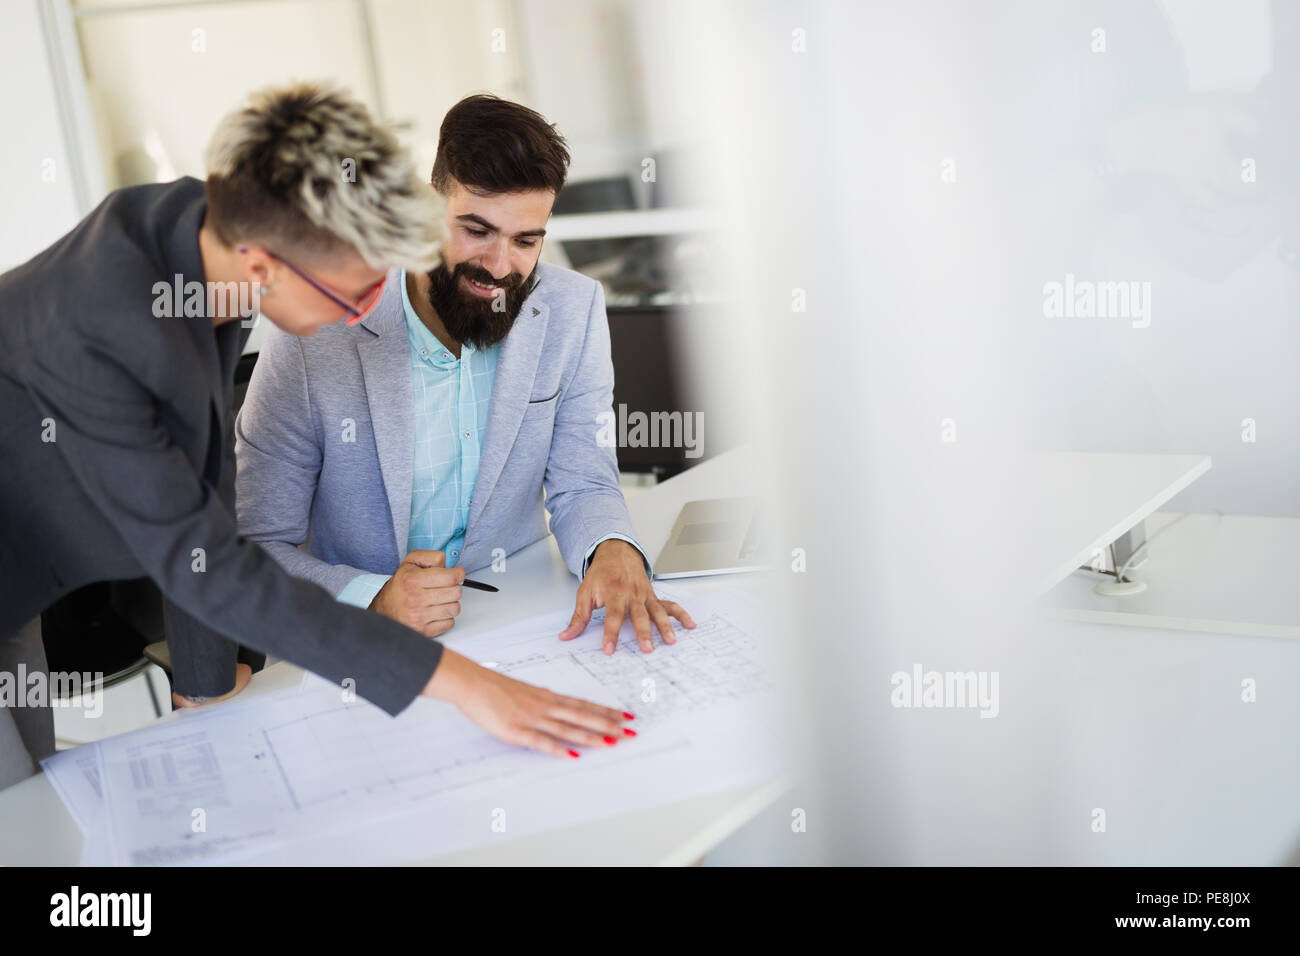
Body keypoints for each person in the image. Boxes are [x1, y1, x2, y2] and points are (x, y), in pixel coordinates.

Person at [0, 83, 631, 791]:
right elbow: (208, 554)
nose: (370, 311)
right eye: (351, 293)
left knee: (28, 799)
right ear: (266, 267)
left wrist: (210, 677)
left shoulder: (209, 230)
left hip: (22, 560)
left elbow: (204, 478)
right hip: (20, 536)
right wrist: (468, 687)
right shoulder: (110, 335)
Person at [235, 93, 695, 654]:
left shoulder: (572, 309)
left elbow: (584, 483)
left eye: (526, 240)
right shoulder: (318, 326)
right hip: (364, 640)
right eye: (476, 231)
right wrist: (373, 597)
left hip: (515, 611)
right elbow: (256, 546)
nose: (500, 268)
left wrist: (611, 547)